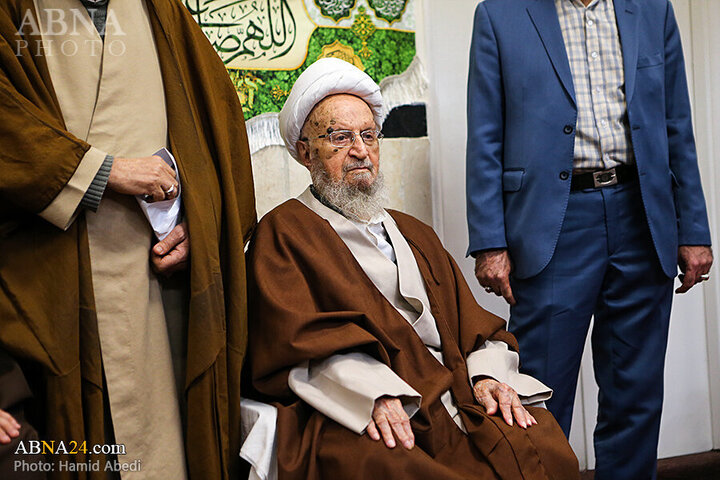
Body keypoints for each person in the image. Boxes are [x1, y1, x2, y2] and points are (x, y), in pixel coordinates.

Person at [243, 58, 579, 480]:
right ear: (306, 154)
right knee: (390, 463)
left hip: (455, 390)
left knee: (540, 441)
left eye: (368, 135)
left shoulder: (414, 231)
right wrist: (374, 395)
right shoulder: (285, 231)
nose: (360, 150)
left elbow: (476, 330)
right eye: (341, 137)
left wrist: (487, 377)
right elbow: (296, 346)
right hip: (362, 398)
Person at [0, 1, 255, 478]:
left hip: (162, 288)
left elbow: (216, 132)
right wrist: (101, 172)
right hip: (49, 282)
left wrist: (196, 226)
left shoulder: (162, 10)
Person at [466, 0, 713, 479]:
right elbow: (484, 132)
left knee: (635, 392)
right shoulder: (499, 14)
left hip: (642, 213)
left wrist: (694, 228)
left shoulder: (653, 11)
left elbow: (677, 124)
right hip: (552, 222)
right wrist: (490, 241)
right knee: (537, 390)